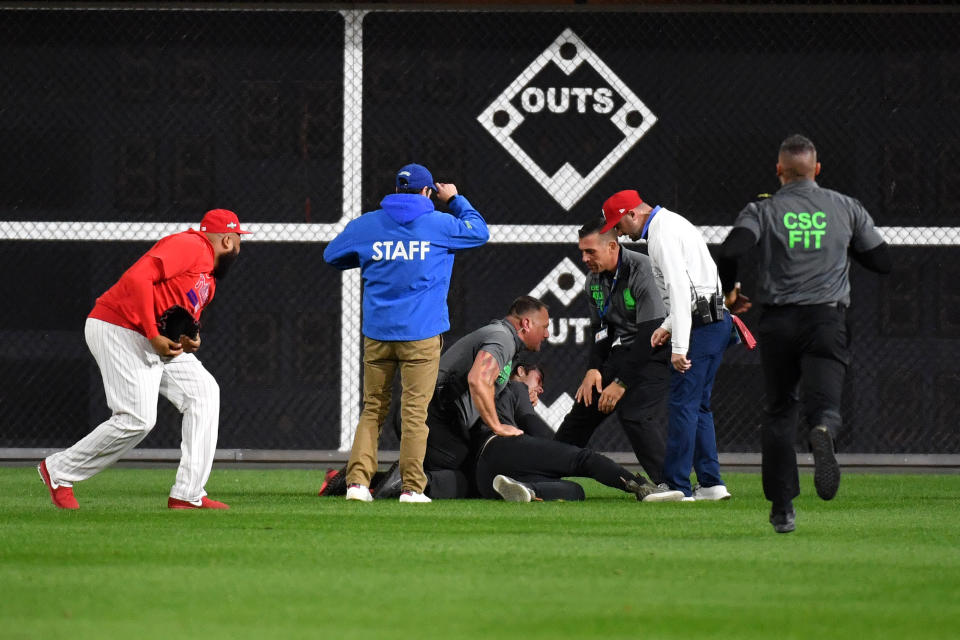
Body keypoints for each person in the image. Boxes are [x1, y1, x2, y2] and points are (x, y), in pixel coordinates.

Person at [716, 134, 891, 533]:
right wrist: (844, 248)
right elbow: (882, 262)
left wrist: (730, 292)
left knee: (779, 410)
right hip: (826, 319)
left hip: (778, 322)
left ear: (779, 170)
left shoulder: (763, 210)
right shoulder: (846, 207)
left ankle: (782, 507)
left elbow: (730, 251)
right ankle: (824, 430)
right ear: (817, 169)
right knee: (825, 405)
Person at [38, 209, 251, 510]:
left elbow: (181, 320)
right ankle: (59, 470)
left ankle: (187, 494)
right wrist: (153, 335)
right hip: (119, 327)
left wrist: (193, 338)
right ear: (227, 240)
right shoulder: (192, 246)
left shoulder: (209, 280)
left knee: (204, 392)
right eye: (240, 241)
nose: (240, 248)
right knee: (137, 419)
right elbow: (138, 276)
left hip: (149, 337)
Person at [323, 163, 489, 504]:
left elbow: (332, 255)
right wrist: (455, 199)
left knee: (373, 409)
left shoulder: (368, 224)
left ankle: (356, 483)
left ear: (397, 190)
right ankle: (412, 488)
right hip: (421, 335)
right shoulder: (440, 224)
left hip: (378, 334)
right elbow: (479, 231)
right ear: (427, 192)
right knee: (415, 413)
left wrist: (373, 257)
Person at [602, 189, 733, 502]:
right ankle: (711, 483)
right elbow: (694, 289)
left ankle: (676, 485)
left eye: (619, 225)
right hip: (715, 321)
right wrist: (666, 326)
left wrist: (678, 345)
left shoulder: (661, 234)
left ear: (633, 214)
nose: (619, 233)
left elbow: (679, 292)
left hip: (701, 326)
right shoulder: (672, 223)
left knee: (682, 405)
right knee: (698, 406)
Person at [554, 216, 672, 489]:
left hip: (660, 348)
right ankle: (544, 471)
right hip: (627, 350)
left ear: (612, 247)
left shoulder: (643, 270)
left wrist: (620, 383)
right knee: (585, 405)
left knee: (635, 413)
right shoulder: (593, 281)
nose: (584, 258)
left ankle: (670, 483)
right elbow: (602, 331)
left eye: (590, 251)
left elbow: (650, 334)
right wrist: (593, 369)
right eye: (581, 251)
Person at [477, 360, 685, 503]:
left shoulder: (485, 395)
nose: (540, 389)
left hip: (486, 477)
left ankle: (527, 489)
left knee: (575, 491)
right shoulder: (515, 387)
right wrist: (563, 454)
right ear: (521, 371)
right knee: (584, 459)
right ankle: (643, 487)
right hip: (499, 445)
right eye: (538, 380)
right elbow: (534, 427)